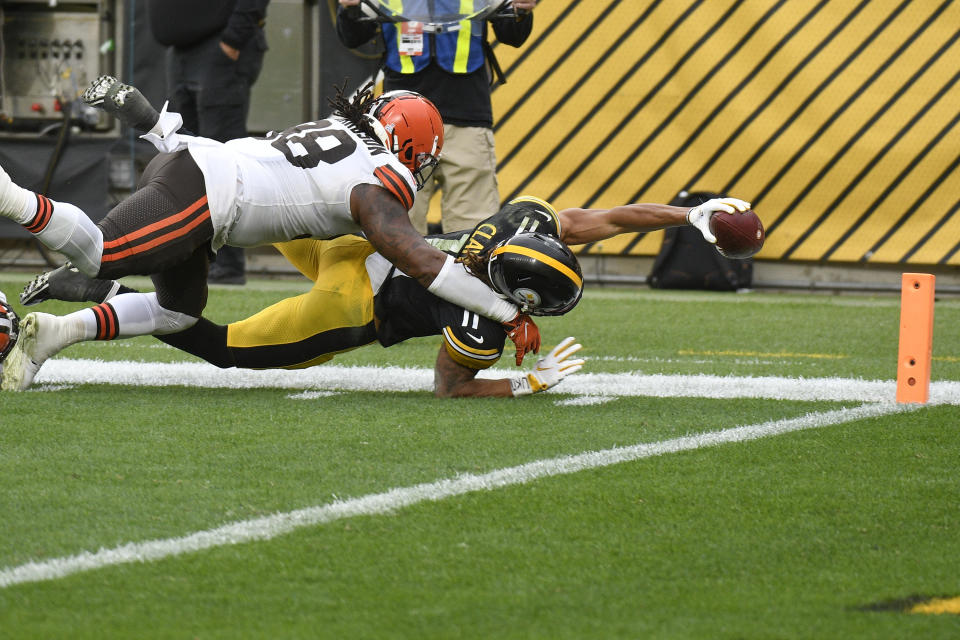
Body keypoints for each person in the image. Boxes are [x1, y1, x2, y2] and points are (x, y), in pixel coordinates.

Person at [0, 76, 541, 388]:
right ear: (411, 150)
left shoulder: (344, 128)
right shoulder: (384, 178)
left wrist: (157, 126)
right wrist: (505, 311)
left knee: (178, 312)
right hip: (206, 194)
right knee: (100, 253)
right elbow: (423, 263)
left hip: (200, 170)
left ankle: (54, 335)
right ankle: (11, 195)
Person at [4, 194, 754, 394]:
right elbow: (450, 387)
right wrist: (524, 387)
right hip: (352, 307)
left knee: (232, 219)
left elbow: (607, 218)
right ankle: (102, 294)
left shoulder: (516, 221)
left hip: (357, 242)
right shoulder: (478, 319)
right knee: (230, 348)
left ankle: (150, 214)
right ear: (520, 298)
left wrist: (689, 214)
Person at [336, 0, 538, 234]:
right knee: (399, 229)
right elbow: (353, 37)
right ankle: (401, 272)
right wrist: (349, 8)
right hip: (401, 124)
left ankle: (466, 271)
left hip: (465, 118)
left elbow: (513, 34)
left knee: (474, 233)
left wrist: (520, 11)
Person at [148, 0, 271, 284]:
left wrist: (232, 39)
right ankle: (193, 261)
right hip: (180, 50)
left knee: (221, 161)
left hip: (220, 47)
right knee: (183, 157)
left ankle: (228, 265)